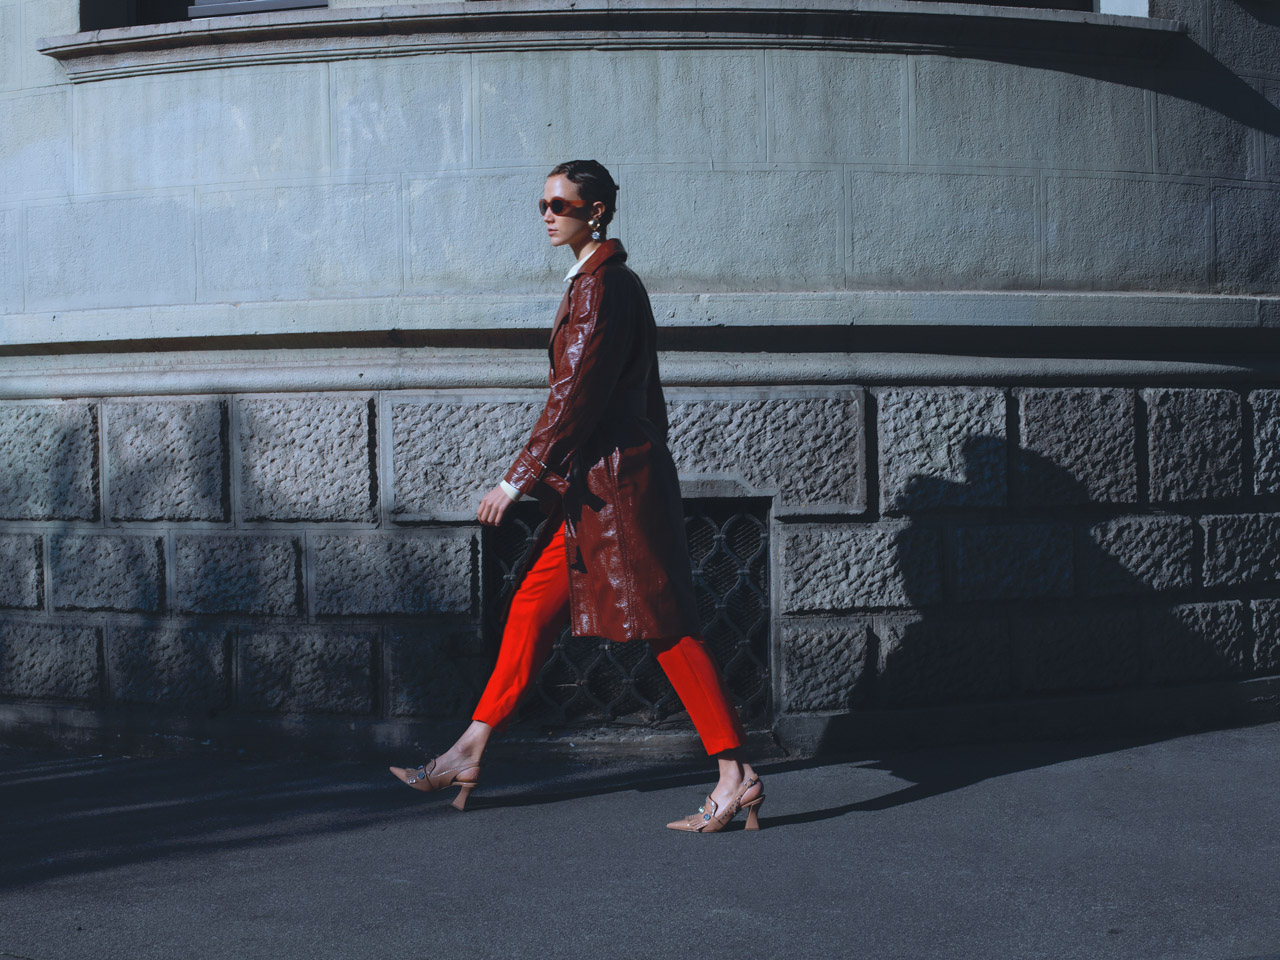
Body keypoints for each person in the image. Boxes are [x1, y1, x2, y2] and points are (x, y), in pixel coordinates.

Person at [390, 160, 764, 833]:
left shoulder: (601, 289)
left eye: (559, 205)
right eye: (542, 203)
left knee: (668, 628)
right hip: (596, 492)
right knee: (532, 611)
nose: (546, 215)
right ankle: (468, 749)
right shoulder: (596, 283)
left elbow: (574, 398)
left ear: (595, 212)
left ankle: (735, 775)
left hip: (613, 494)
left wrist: (515, 480)